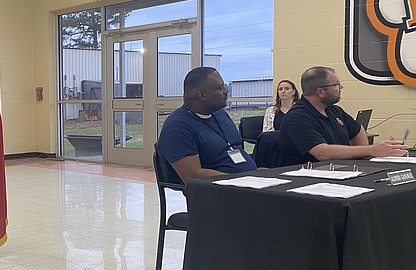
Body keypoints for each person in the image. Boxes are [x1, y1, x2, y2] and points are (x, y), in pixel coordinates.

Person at [278, 66, 407, 165]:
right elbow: (322, 152)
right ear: (320, 92)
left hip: (340, 171)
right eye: (336, 84)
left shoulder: (334, 111)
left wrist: (361, 159)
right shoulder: (297, 118)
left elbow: (357, 130)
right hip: (309, 181)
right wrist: (371, 150)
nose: (341, 87)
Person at [158, 67, 257, 183]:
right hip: (218, 192)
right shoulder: (177, 127)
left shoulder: (221, 115)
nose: (226, 91)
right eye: (220, 88)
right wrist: (239, 180)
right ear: (202, 95)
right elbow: (192, 176)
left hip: (248, 183)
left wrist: (256, 174)